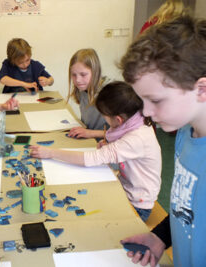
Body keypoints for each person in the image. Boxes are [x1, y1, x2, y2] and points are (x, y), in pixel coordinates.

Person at [119, 15, 206, 267]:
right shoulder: (184, 134)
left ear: (201, 89)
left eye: (155, 100)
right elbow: (186, 209)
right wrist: (159, 238)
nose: (145, 112)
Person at [31, 81, 162, 222]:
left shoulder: (137, 138)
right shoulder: (134, 120)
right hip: (125, 187)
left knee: (87, 217)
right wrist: (109, 145)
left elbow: (90, 158)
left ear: (118, 119)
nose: (104, 119)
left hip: (137, 205)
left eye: (104, 116)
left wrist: (51, 153)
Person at [67, 48, 110, 140]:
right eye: (74, 75)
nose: (78, 80)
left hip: (106, 145)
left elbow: (123, 132)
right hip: (89, 140)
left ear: (95, 72)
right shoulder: (81, 89)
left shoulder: (109, 93)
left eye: (83, 75)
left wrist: (90, 133)